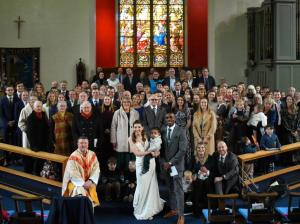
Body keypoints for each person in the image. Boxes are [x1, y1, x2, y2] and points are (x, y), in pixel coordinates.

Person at [129, 120, 164, 220]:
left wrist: (157, 153)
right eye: (135, 127)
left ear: (142, 128)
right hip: (141, 164)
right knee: (142, 186)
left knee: (151, 186)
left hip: (151, 163)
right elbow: (137, 153)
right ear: (133, 128)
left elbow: (155, 147)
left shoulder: (147, 136)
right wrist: (150, 152)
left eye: (139, 127)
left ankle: (149, 209)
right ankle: (140, 210)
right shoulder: (130, 139)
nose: (137, 129)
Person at [161, 113, 187, 224]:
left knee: (178, 190)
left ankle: (181, 215)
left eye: (171, 117)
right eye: (167, 118)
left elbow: (182, 150)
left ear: (175, 118)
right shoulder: (162, 130)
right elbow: (159, 148)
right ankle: (174, 209)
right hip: (165, 166)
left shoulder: (181, 130)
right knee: (170, 189)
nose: (169, 119)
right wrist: (163, 162)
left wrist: (170, 162)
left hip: (176, 165)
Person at [62, 136, 100, 207]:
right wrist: (83, 184)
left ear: (88, 144)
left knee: (90, 189)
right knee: (79, 190)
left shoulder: (93, 155)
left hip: (89, 182)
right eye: (81, 143)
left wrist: (91, 180)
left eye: (85, 143)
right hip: (74, 183)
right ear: (77, 144)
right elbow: (73, 174)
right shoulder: (73, 156)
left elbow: (96, 169)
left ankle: (88, 213)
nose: (83, 145)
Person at [111, 97, 139, 171]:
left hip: (132, 140)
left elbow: (138, 127)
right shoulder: (117, 113)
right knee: (120, 161)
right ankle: (121, 177)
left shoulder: (135, 113)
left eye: (128, 102)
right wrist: (113, 140)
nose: (126, 103)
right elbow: (113, 127)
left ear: (130, 103)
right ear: (122, 103)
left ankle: (130, 178)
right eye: (124, 102)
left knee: (131, 161)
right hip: (120, 140)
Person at [26, 101, 49, 174]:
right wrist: (34, 145)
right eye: (37, 106)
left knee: (43, 160)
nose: (39, 108)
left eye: (40, 106)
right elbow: (29, 134)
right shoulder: (30, 117)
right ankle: (36, 174)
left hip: (44, 142)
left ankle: (42, 173)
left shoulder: (43, 114)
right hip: (36, 144)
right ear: (34, 107)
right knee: (38, 161)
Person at [192, 143, 214, 216]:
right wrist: (198, 171)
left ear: (205, 149)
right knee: (199, 182)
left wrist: (207, 172)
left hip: (208, 178)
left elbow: (214, 170)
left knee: (207, 182)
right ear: (196, 149)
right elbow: (190, 169)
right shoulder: (193, 158)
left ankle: (208, 208)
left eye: (202, 147)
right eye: (198, 148)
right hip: (197, 178)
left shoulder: (210, 157)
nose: (201, 149)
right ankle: (196, 209)